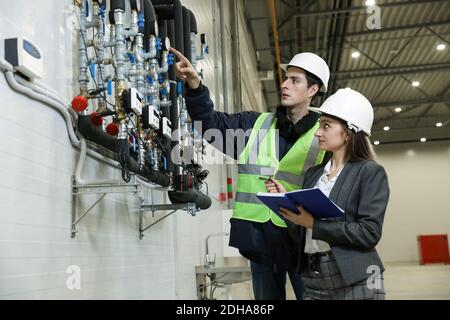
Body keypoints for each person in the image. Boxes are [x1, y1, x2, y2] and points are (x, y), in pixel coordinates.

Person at [171, 47, 331, 300]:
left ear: (312, 90)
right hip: (261, 241)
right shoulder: (254, 125)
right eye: (286, 78)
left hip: (303, 242)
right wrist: (195, 85)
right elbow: (211, 124)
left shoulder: (324, 134)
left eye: (294, 80)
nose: (285, 84)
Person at [265, 88, 390, 300]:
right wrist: (289, 203)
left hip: (357, 277)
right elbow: (305, 230)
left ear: (349, 133)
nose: (317, 132)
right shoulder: (314, 174)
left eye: (326, 126)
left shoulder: (369, 172)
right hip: (313, 275)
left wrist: (314, 223)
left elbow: (369, 233)